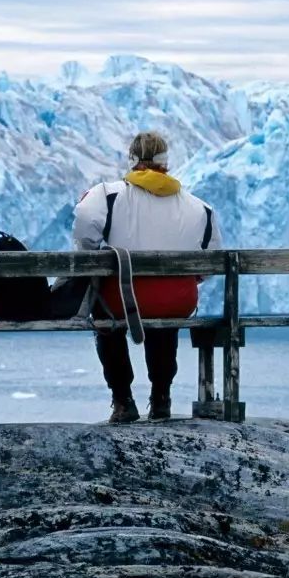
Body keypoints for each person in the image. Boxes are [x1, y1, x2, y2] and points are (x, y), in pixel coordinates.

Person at [72, 131, 223, 423]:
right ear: (166, 162)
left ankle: (123, 399)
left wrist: (94, 252)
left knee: (105, 321)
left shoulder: (108, 195)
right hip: (177, 301)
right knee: (164, 320)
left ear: (132, 159)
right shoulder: (199, 207)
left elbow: (85, 224)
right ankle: (161, 395)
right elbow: (211, 258)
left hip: (121, 299)